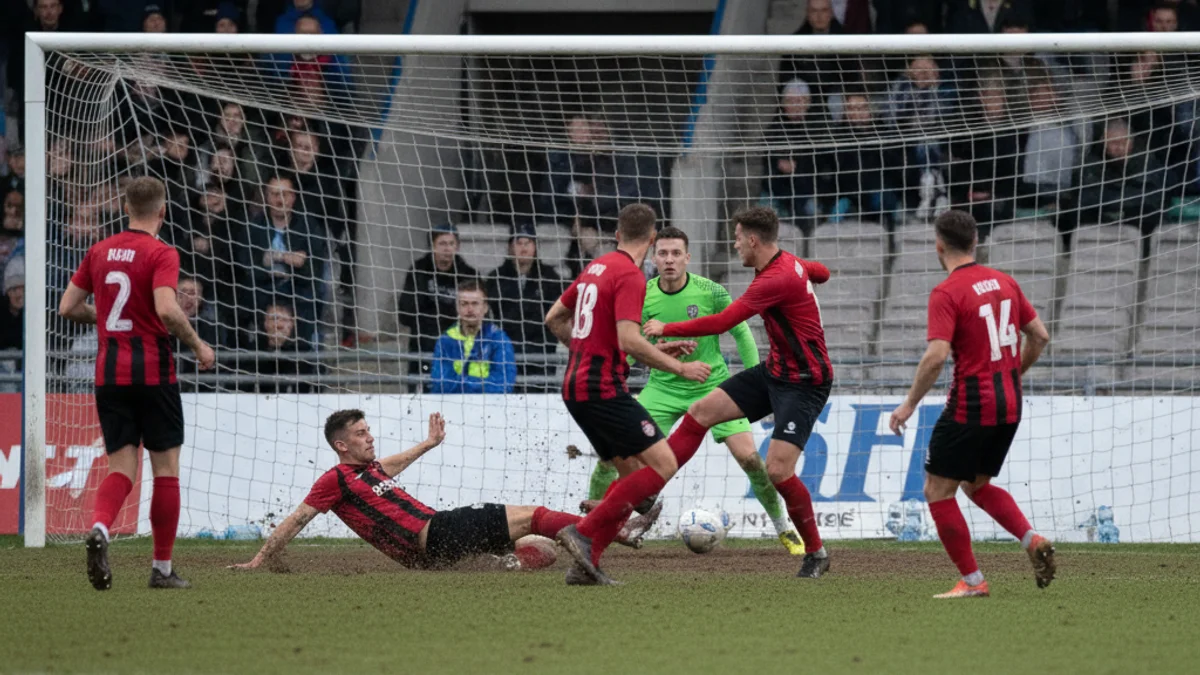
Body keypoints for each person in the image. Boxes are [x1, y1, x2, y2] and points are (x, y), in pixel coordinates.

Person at [585, 226, 805, 555]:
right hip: (662, 387)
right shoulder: (641, 295)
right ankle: (588, 531)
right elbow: (632, 350)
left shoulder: (710, 292)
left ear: (688, 258)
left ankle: (783, 527)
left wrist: (762, 384)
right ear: (653, 257)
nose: (669, 259)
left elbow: (743, 335)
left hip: (713, 385)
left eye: (676, 254)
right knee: (610, 459)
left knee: (751, 461)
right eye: (663, 253)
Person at [643, 206, 834, 579]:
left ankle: (817, 552)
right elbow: (822, 272)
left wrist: (668, 327)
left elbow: (725, 321)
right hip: (775, 371)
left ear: (752, 240)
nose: (734, 246)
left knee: (778, 470)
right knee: (700, 412)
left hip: (806, 382)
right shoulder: (788, 264)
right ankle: (651, 485)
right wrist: (808, 274)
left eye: (736, 238)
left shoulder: (773, 279)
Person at [228, 409, 659, 572]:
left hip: (428, 556)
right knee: (533, 514)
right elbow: (298, 517)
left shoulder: (369, 473)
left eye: (369, 431)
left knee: (540, 548)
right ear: (341, 445)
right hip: (432, 533)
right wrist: (260, 560)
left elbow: (390, 464)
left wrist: (429, 444)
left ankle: (503, 566)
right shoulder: (335, 481)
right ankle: (618, 531)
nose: (370, 438)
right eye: (361, 434)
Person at [56, 177, 217, 591]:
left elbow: (67, 307)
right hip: (153, 374)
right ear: (162, 211)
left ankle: (101, 528)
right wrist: (198, 346)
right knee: (165, 469)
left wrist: (107, 318)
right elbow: (166, 309)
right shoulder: (161, 252)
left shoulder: (99, 250)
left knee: (120, 467)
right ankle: (162, 569)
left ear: (125, 207)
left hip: (109, 375)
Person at [887, 210, 1054, 599]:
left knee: (936, 490)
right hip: (1011, 402)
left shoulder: (947, 292)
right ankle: (1032, 539)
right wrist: (1012, 374)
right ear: (975, 241)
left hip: (972, 404)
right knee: (976, 484)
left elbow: (936, 356)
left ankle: (974, 582)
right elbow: (1041, 336)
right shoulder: (1005, 281)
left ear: (938, 244)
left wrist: (909, 404)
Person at [545, 204, 709, 585]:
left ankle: (585, 566)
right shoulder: (631, 276)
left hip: (575, 386)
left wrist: (591, 351)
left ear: (617, 235)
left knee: (632, 475)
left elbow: (554, 318)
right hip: (602, 389)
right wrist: (680, 368)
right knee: (662, 465)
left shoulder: (595, 267)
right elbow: (630, 339)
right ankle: (583, 531)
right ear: (652, 240)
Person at [484, 223, 563, 391]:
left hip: (541, 351)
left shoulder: (550, 278)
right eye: (519, 243)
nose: (524, 248)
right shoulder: (495, 278)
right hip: (506, 351)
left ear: (535, 246)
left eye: (528, 243)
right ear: (510, 247)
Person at [397, 223, 478, 381]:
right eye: (442, 244)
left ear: (458, 246)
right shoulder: (418, 271)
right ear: (432, 246)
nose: (447, 249)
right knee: (425, 388)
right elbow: (405, 314)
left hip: (458, 348)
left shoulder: (468, 275)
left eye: (451, 244)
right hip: (424, 347)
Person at [429, 280, 516, 394]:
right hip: (452, 407)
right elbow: (441, 384)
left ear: (485, 308)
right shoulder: (446, 340)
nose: (470, 309)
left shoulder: (498, 339)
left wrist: (463, 383)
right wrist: (479, 385)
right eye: (464, 304)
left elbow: (504, 384)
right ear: (457, 308)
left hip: (490, 408)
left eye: (475, 303)